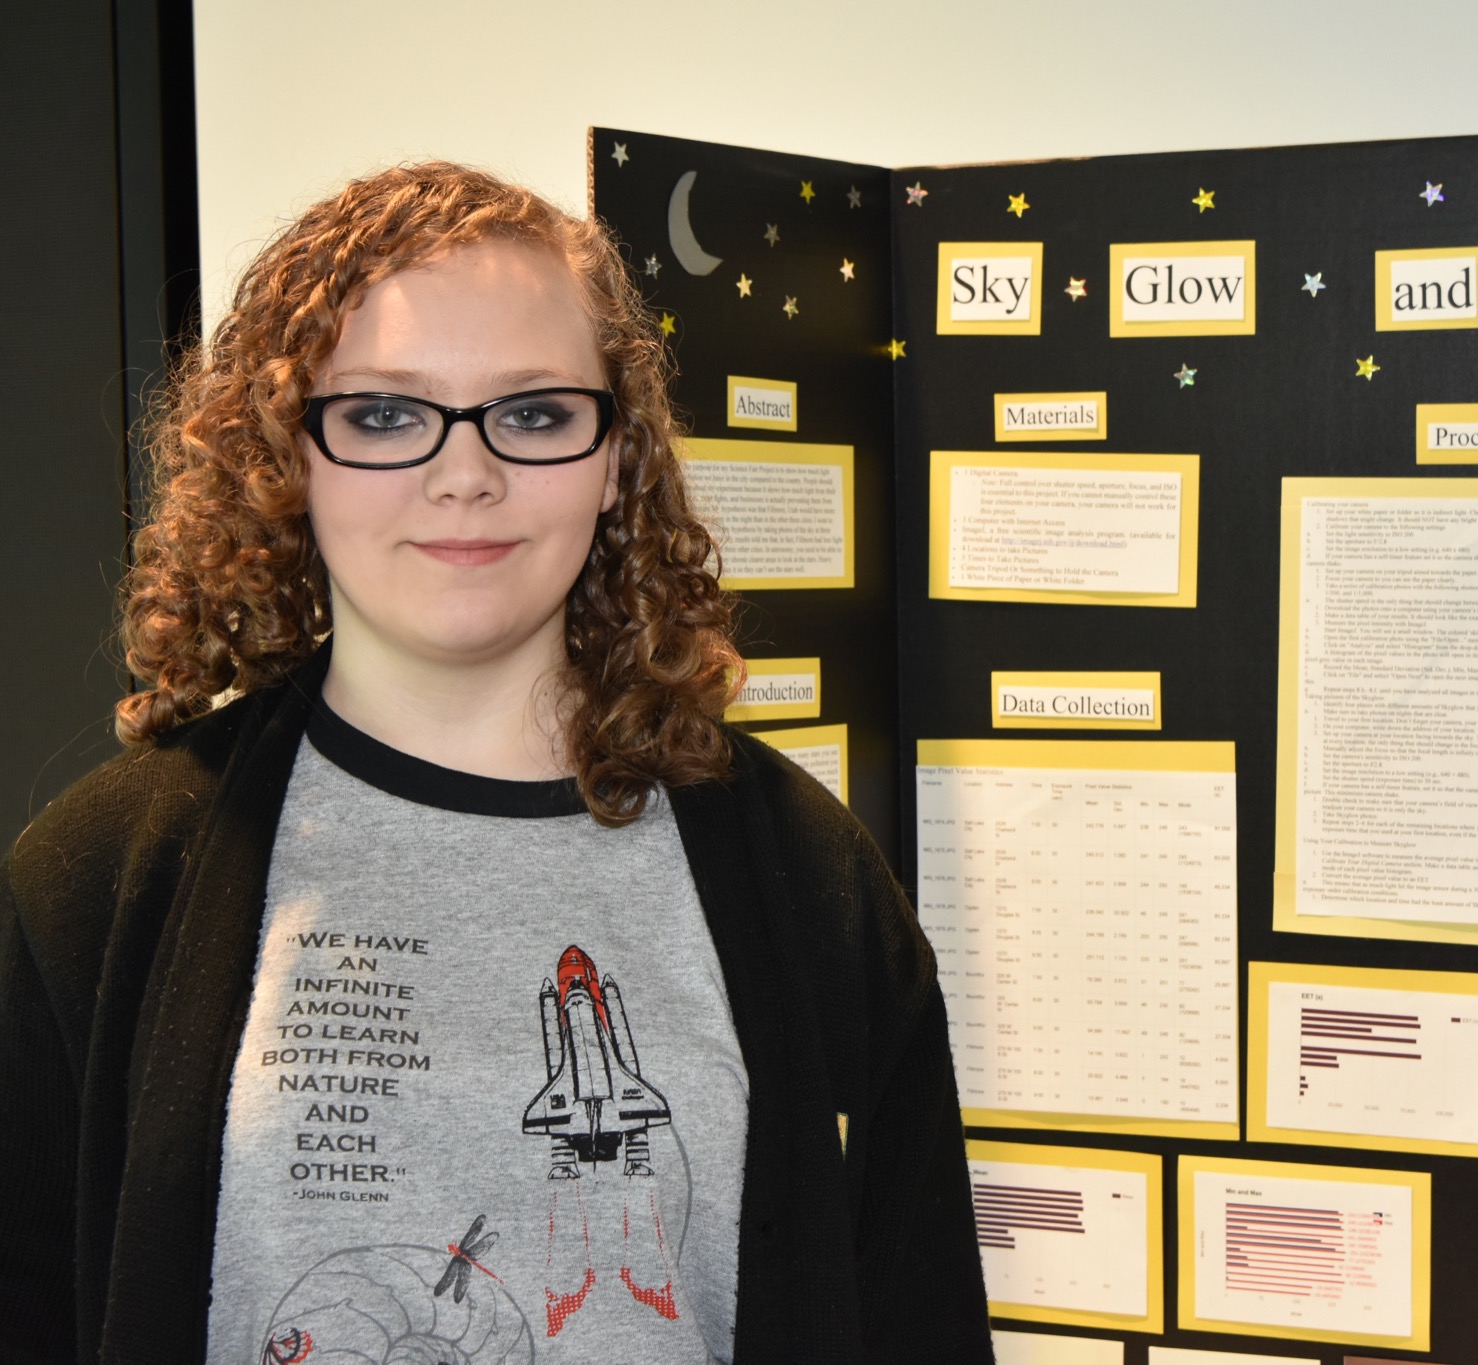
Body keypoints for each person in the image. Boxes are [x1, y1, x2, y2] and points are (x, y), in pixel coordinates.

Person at [0, 163, 992, 1364]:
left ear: (617, 456)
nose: (464, 475)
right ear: (285, 455)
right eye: (383, 415)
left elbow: (917, 1318)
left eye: (533, 414)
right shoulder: (99, 882)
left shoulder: (807, 875)